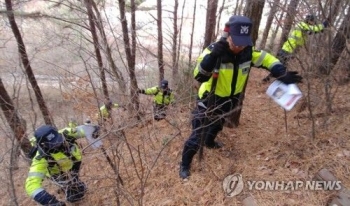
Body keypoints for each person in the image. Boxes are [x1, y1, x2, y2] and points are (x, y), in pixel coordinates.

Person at [179, 15, 303, 179]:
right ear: (228, 36)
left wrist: (281, 72)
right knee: (197, 136)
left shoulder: (248, 52)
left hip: (230, 99)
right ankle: (185, 164)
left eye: (243, 42)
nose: (239, 46)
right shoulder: (214, 50)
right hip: (209, 99)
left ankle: (210, 142)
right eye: (236, 42)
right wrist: (213, 57)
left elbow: (266, 58)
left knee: (218, 125)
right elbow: (199, 76)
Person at [25, 125, 87, 205]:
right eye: (53, 144)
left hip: (74, 165)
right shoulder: (41, 159)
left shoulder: (66, 134)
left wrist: (93, 130)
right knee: (74, 194)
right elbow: (31, 185)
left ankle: (75, 186)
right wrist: (50, 202)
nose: (58, 144)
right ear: (44, 145)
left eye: (58, 140)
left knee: (75, 183)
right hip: (58, 174)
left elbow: (82, 130)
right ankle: (71, 189)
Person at [262, 14, 328, 82]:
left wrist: (318, 30)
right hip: (288, 50)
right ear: (309, 20)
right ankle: (269, 79)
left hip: (288, 49)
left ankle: (269, 79)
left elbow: (310, 31)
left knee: (281, 67)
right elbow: (313, 29)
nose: (313, 23)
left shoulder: (302, 26)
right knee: (280, 67)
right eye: (312, 21)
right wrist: (323, 25)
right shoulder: (302, 25)